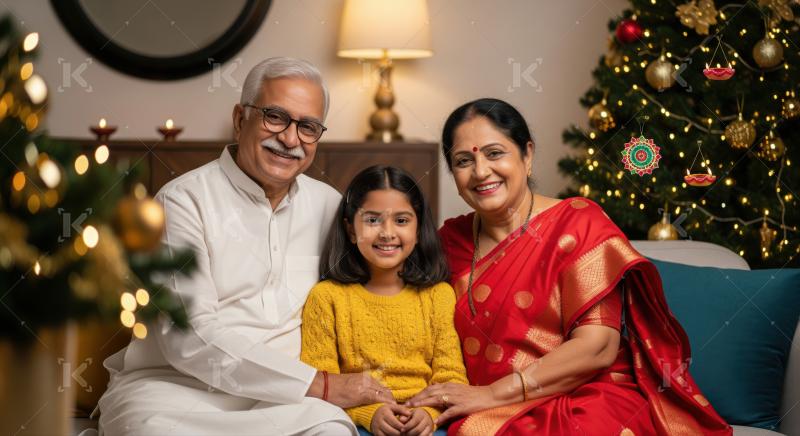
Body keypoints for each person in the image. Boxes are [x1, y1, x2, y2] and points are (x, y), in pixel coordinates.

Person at [96, 58, 394, 436]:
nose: (290, 139)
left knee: (331, 432)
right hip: (175, 392)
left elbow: (379, 291)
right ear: (240, 119)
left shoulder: (330, 205)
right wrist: (323, 385)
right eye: (274, 116)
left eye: (308, 127)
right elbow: (188, 337)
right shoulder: (182, 201)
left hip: (287, 402)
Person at [406, 98, 732, 435]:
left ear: (527, 155)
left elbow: (598, 347)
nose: (481, 171)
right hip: (490, 407)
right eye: (463, 161)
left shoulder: (578, 223)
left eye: (494, 153)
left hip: (586, 394)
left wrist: (491, 394)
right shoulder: (449, 242)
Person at [301, 165, 469, 436]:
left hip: (427, 425)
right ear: (351, 230)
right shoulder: (327, 297)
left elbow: (450, 375)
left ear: (418, 228)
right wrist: (369, 413)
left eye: (402, 221)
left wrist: (429, 413)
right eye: (372, 220)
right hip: (354, 423)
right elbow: (323, 384)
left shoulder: (438, 296)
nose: (387, 233)